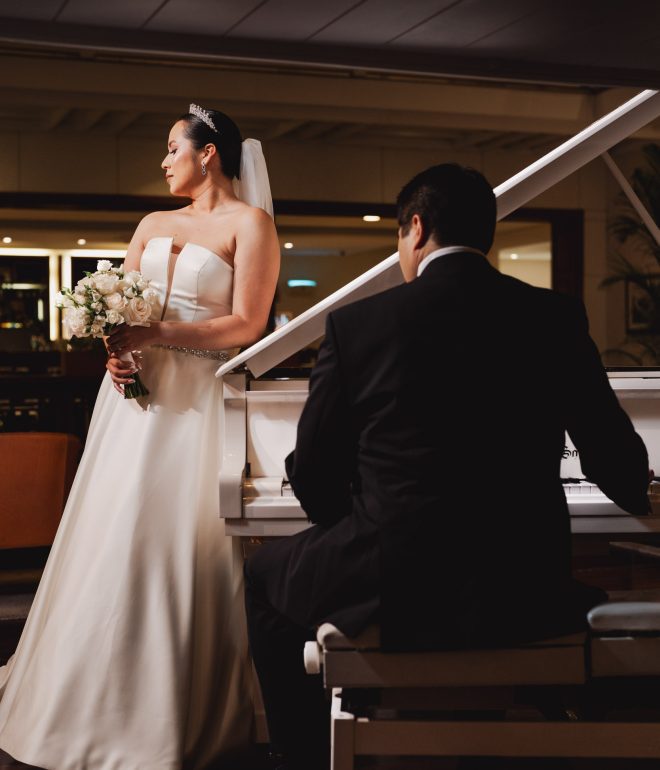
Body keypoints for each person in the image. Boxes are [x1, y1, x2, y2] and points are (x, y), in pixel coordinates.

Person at [244, 163, 651, 769]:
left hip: (396, 582)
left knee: (263, 575)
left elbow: (313, 476)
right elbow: (620, 466)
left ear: (416, 226)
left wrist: (361, 518)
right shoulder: (555, 317)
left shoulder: (359, 326)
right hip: (526, 585)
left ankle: (299, 755)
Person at [0, 105, 280, 769]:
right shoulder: (152, 224)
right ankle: (81, 692)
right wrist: (115, 350)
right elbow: (121, 300)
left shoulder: (251, 225)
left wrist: (158, 335)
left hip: (198, 402)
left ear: (207, 152)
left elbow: (248, 325)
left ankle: (172, 703)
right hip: (131, 399)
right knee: (109, 529)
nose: (162, 161)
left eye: (170, 149)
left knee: (177, 538)